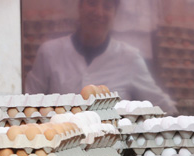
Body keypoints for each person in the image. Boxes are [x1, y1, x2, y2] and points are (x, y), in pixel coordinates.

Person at [25, 0, 178, 115]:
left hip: (115, 154)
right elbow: (28, 107)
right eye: (92, 3)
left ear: (114, 13)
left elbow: (164, 108)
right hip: (59, 151)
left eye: (107, 6)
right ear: (80, 7)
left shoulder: (129, 58)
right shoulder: (50, 53)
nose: (99, 13)